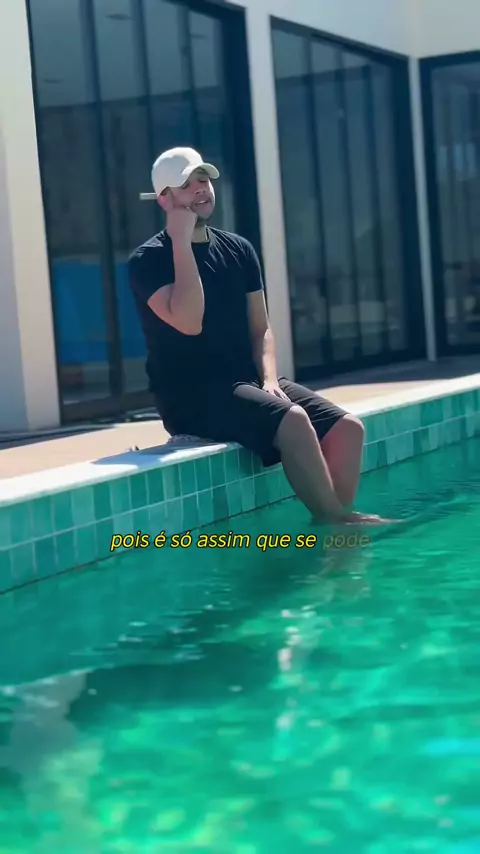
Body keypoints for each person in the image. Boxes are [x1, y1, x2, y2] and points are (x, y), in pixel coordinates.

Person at [128, 146, 389, 526]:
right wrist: (181, 243)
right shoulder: (148, 260)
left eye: (204, 179)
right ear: (165, 199)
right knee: (293, 420)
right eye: (187, 184)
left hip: (247, 381)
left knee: (348, 429)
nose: (201, 188)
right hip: (192, 396)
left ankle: (333, 517)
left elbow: (260, 328)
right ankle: (338, 522)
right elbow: (189, 321)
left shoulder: (239, 250)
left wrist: (269, 380)